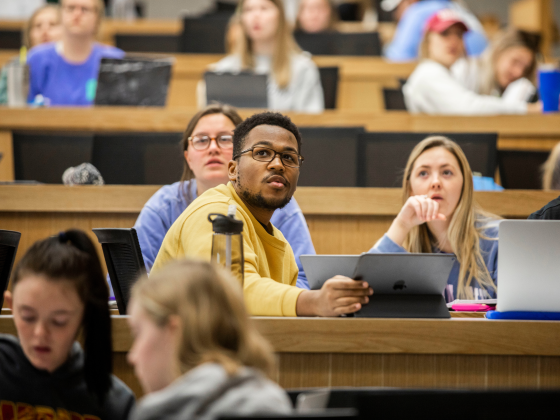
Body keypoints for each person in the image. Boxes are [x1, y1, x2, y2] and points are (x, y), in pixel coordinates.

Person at [152, 112, 372, 317]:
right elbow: (231, 290)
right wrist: (313, 301)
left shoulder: (280, 242)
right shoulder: (214, 211)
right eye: (262, 153)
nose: (277, 164)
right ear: (232, 170)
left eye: (289, 157)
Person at [133, 103, 316, 289]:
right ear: (234, 167)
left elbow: (302, 278)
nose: (213, 148)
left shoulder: (277, 217)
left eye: (225, 139)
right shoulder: (207, 210)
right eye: (202, 140)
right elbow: (233, 291)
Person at [127, 259, 293, 420]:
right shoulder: (275, 402)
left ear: (175, 333)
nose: (132, 357)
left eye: (138, 333)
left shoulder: (155, 414)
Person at [0, 229, 135, 418]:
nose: (40, 333)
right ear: (11, 306)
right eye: (28, 317)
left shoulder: (114, 402)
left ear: (85, 314)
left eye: (59, 321)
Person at [369, 136, 500, 302]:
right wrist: (401, 225)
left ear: (465, 184)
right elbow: (364, 292)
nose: (436, 182)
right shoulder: (402, 247)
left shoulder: (498, 240)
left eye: (447, 172)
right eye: (423, 173)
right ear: (410, 189)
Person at [403, 10, 542, 115]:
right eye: (444, 33)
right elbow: (467, 107)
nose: (453, 41)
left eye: (459, 34)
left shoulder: (446, 73)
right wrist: (527, 108)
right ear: (428, 41)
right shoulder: (428, 72)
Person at [211, 0, 324, 113]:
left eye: (264, 8)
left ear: (280, 16)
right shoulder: (222, 70)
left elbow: (312, 121)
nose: (256, 16)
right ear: (241, 18)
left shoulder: (303, 68)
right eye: (248, 9)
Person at [27, 0, 124, 106]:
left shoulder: (115, 60)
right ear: (61, 14)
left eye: (85, 9)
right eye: (71, 8)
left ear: (98, 18)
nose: (77, 14)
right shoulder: (37, 59)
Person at [452, 29, 540, 105]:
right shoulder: (466, 70)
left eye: (525, 69)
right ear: (498, 51)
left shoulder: (505, 90)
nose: (519, 72)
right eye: (515, 61)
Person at [382, 0, 487, 62]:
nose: (395, 15)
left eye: (397, 9)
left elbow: (397, 60)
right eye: (445, 33)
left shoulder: (417, 12)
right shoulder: (459, 9)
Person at [0, 4, 62, 105]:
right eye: (38, 26)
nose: (44, 31)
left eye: (53, 24)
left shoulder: (71, 64)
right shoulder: (14, 66)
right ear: (29, 34)